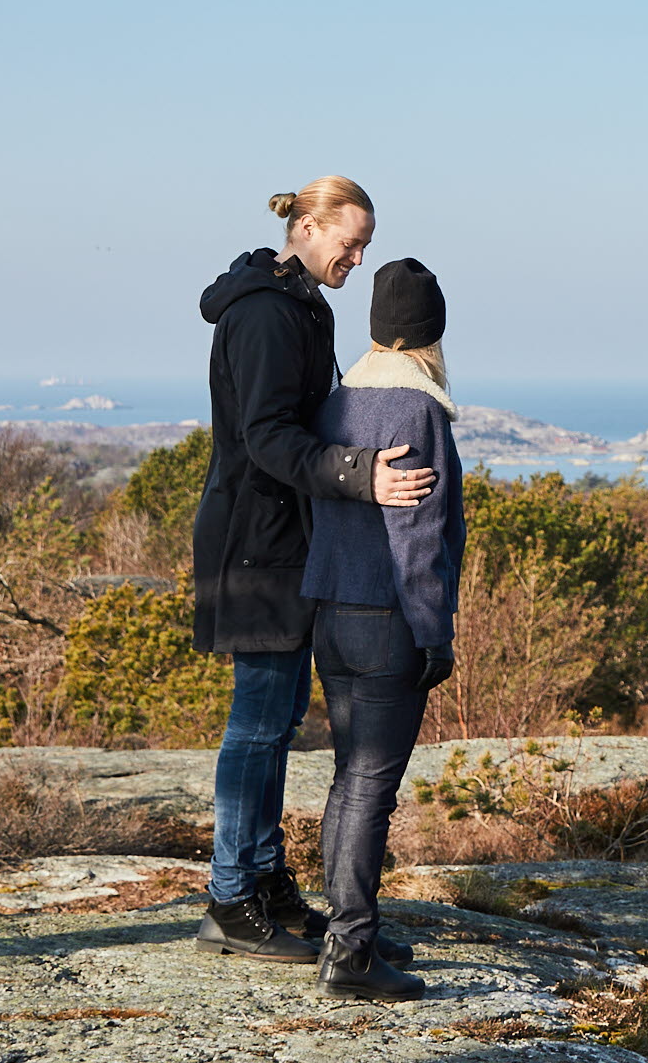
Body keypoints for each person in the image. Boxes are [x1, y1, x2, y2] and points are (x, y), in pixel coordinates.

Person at [190, 177, 436, 965]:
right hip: (257, 544)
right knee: (259, 722)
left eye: (364, 247)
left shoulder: (301, 304)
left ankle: (260, 880)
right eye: (348, 242)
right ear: (305, 224)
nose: (356, 259)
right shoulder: (265, 313)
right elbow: (266, 437)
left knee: (280, 717)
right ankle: (230, 898)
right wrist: (362, 477)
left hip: (287, 540)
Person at [302, 256, 466, 1000]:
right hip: (388, 620)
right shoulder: (418, 408)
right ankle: (353, 953)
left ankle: (347, 931)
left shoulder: (338, 402)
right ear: (433, 330)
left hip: (329, 614)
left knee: (348, 781)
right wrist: (436, 634)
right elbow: (420, 537)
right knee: (371, 787)